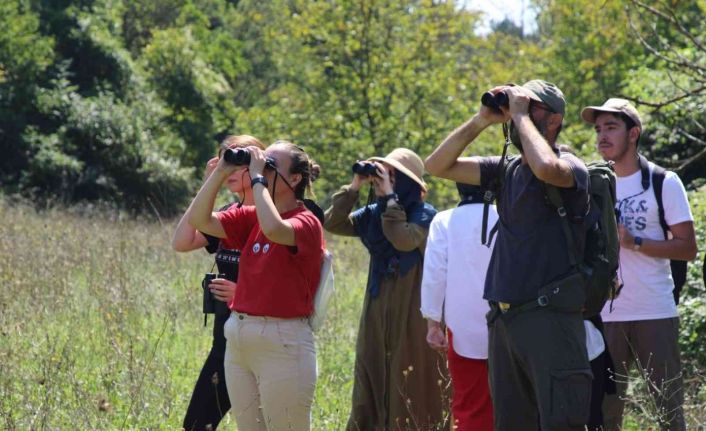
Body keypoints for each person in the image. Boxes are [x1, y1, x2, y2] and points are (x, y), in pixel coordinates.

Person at [426, 80, 593, 431]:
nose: (520, 114)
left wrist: (519, 116)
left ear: (553, 120)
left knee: (561, 422)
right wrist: (482, 119)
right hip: (505, 320)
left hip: (550, 316)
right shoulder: (507, 169)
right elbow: (436, 165)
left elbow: (546, 168)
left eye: (532, 109)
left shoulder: (571, 165)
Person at [187, 140, 325, 431]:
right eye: (261, 163)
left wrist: (258, 177)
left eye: (271, 165)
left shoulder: (307, 221)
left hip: (283, 342)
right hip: (239, 337)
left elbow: (275, 230)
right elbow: (200, 220)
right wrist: (220, 171)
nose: (260, 168)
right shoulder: (252, 218)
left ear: (296, 178)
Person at [582, 98, 697, 431]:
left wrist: (636, 243)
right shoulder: (590, 184)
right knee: (604, 414)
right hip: (604, 315)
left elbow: (687, 248)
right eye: (599, 129)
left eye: (611, 127)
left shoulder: (664, 182)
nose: (602, 136)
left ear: (634, 134)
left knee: (668, 410)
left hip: (655, 313)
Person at [323, 148, 448, 431]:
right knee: (373, 370)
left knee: (410, 379)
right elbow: (333, 223)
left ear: (408, 182)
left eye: (391, 176)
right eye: (382, 175)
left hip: (414, 314)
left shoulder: (425, 215)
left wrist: (391, 199)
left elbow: (403, 239)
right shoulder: (374, 214)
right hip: (377, 311)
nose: (383, 180)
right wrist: (355, 186)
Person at [172, 134, 265, 431]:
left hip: (266, 335)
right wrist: (208, 183)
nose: (231, 171)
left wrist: (243, 293)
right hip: (225, 338)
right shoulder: (227, 214)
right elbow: (182, 241)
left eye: (238, 162)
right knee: (197, 424)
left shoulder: (276, 217)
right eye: (226, 160)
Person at [420, 182, 496, 431]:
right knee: (511, 402)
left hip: (462, 327)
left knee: (469, 404)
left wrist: (433, 322)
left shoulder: (444, 221)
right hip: (509, 325)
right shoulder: (508, 216)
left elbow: (434, 273)